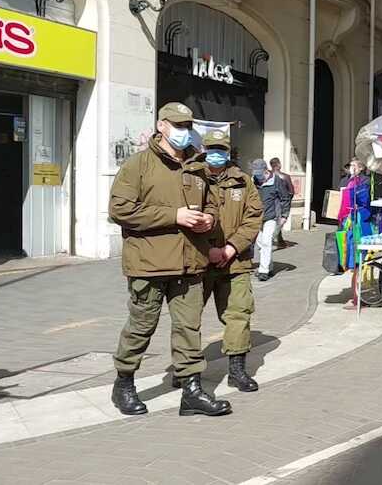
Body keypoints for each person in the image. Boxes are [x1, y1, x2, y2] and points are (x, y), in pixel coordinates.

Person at [108, 103, 231, 417]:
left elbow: (213, 205)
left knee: (189, 328)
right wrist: (173, 216)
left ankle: (191, 391)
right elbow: (120, 210)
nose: (183, 131)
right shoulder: (139, 165)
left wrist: (208, 220)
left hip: (190, 263)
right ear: (161, 126)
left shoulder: (197, 166)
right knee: (141, 327)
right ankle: (124, 384)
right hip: (149, 263)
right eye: (177, 124)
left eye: (187, 125)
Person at [201, 131, 263, 392]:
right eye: (211, 148)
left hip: (236, 262)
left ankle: (237, 371)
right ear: (204, 149)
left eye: (221, 148)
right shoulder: (191, 178)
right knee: (188, 319)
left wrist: (231, 247)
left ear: (228, 152)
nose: (216, 153)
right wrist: (208, 250)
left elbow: (254, 217)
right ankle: (186, 372)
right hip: (198, 262)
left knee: (238, 315)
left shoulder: (243, 181)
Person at [251, 158, 293, 281]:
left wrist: (284, 216)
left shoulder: (277, 181)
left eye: (259, 174)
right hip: (257, 217)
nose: (258, 177)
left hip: (272, 217)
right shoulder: (253, 182)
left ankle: (263, 271)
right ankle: (269, 266)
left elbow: (285, 198)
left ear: (265, 171)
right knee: (260, 243)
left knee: (266, 241)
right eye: (255, 174)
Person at [339, 160, 372, 310]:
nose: (350, 169)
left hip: (359, 223)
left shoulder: (365, 181)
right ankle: (355, 296)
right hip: (349, 223)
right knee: (353, 262)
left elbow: (363, 200)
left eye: (353, 166)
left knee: (359, 261)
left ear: (360, 168)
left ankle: (357, 297)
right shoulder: (346, 181)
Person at [269, 158, 294, 248]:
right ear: (279, 165)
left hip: (270, 202)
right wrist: (287, 201)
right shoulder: (285, 177)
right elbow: (291, 191)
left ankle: (280, 240)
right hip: (282, 202)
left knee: (274, 221)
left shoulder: (269, 176)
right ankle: (271, 239)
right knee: (281, 221)